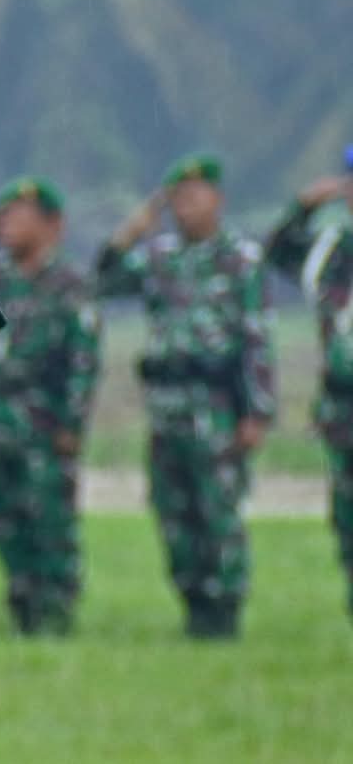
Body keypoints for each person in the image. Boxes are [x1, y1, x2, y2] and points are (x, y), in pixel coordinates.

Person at [96, 152, 274, 639]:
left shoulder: (239, 258)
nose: (185, 206)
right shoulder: (160, 257)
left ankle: (224, 610)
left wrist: (257, 412)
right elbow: (105, 280)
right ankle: (193, 605)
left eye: (195, 195)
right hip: (167, 406)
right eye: (177, 197)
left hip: (216, 405)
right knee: (173, 511)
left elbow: (257, 337)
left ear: (217, 198)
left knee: (218, 512)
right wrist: (136, 226)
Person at [0, 177, 100, 635]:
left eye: (20, 216)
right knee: (5, 516)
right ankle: (21, 603)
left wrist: (72, 422)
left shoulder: (69, 283)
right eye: (4, 217)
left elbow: (83, 358)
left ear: (51, 225)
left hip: (45, 418)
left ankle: (55, 609)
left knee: (49, 518)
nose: (9, 226)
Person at [263, 155, 353, 624]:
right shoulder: (332, 249)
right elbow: (277, 252)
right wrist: (303, 207)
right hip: (343, 409)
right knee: (348, 517)